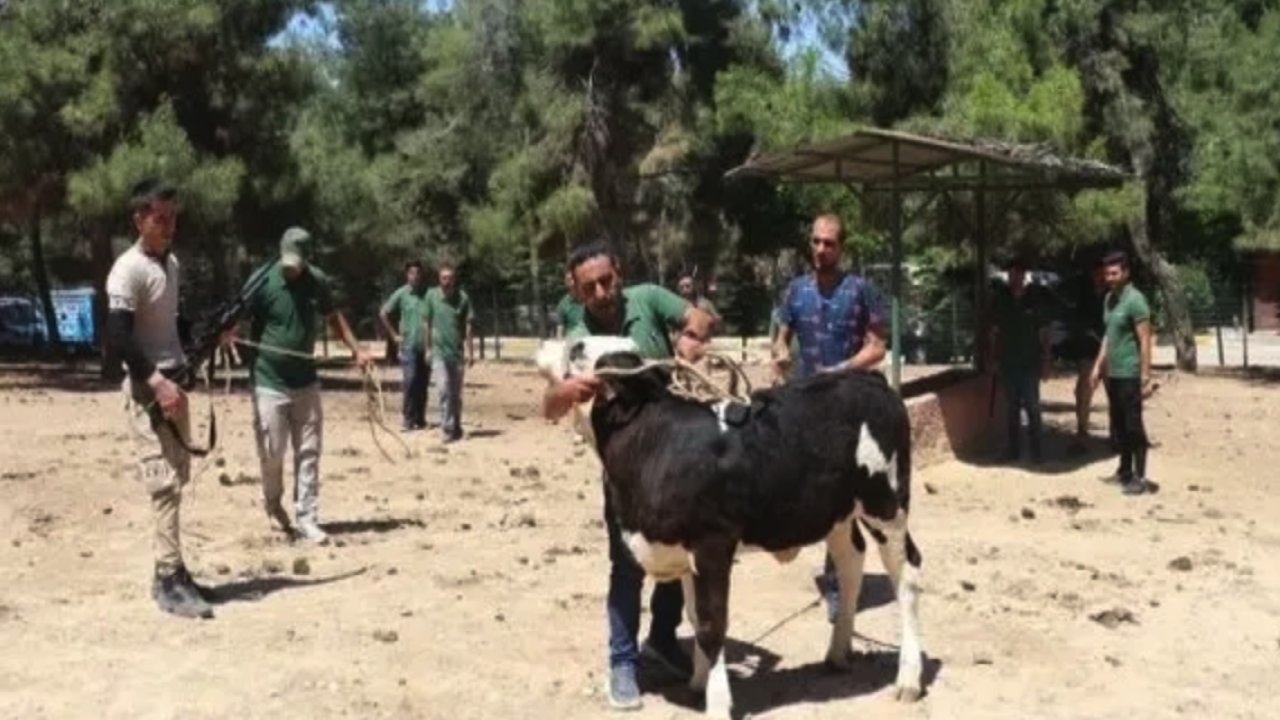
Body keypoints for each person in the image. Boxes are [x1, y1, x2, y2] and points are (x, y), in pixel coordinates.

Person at [541, 241, 715, 711]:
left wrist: (690, 340)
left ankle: (662, 640)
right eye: (589, 286)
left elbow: (701, 320)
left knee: (679, 555)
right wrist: (567, 390)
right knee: (627, 562)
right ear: (574, 289)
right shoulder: (576, 336)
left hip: (676, 456)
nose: (601, 292)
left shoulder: (650, 298)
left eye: (607, 280)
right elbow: (548, 407)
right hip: (624, 468)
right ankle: (622, 662)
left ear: (619, 272)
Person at [771, 213, 887, 624]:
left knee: (844, 494)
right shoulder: (795, 291)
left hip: (849, 406)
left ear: (842, 248)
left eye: (830, 243)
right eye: (817, 242)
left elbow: (878, 347)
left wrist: (842, 369)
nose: (822, 249)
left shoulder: (862, 290)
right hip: (803, 404)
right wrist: (780, 355)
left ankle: (840, 583)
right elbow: (782, 339)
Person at [107, 179, 213, 618]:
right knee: (163, 484)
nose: (169, 225)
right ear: (139, 220)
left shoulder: (170, 265)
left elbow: (173, 323)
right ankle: (169, 578)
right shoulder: (126, 269)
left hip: (176, 383)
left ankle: (170, 570)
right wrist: (156, 381)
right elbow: (118, 336)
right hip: (147, 390)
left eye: (173, 217)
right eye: (160, 218)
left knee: (179, 477)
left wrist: (209, 333)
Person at [244, 227, 372, 544]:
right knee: (272, 453)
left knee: (309, 452)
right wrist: (227, 334)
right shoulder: (262, 280)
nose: (291, 268)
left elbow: (333, 318)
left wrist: (357, 348)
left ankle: (307, 517)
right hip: (269, 379)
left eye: (297, 262)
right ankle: (273, 506)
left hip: (306, 381)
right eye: (287, 261)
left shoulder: (317, 281)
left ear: (307, 258)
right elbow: (238, 314)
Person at [1090, 251, 1155, 495]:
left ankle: (1140, 477)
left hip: (1129, 372)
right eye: (1107, 273)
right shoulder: (1109, 300)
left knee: (1133, 425)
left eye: (1115, 273)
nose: (1110, 277)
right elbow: (1109, 335)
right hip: (1113, 373)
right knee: (1118, 424)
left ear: (1126, 273)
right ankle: (1124, 471)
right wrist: (1098, 365)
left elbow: (1145, 338)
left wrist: (1145, 374)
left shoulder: (1136, 300)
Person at [990, 258, 1051, 464]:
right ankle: (1013, 450)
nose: (1014, 277)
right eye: (1011, 273)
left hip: (1030, 363)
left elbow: (1044, 333)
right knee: (1011, 408)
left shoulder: (1034, 300)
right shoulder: (1001, 299)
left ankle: (1037, 452)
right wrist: (994, 358)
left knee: (1033, 407)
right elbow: (995, 332)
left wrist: (1046, 360)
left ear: (1023, 275)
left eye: (1018, 273)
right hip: (1008, 362)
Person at [422, 261, 474, 443]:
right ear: (439, 278)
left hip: (457, 352)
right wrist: (427, 348)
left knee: (456, 393)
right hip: (438, 352)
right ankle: (448, 428)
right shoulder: (431, 296)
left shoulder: (463, 298)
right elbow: (426, 323)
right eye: (444, 278)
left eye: (450, 278)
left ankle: (456, 426)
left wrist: (470, 351)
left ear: (454, 279)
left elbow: (468, 325)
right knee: (444, 389)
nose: (447, 281)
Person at [379, 260, 431, 431]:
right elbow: (384, 313)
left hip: (425, 346)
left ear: (421, 275)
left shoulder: (428, 294)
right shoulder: (401, 294)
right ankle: (408, 419)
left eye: (417, 273)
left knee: (423, 383)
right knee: (410, 381)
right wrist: (394, 335)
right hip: (408, 345)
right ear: (407, 275)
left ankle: (420, 418)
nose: (414, 276)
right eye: (411, 273)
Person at [1068, 261, 1107, 454]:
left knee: (1115, 393)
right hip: (1089, 351)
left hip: (1110, 350)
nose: (1099, 275)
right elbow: (1076, 321)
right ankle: (1082, 433)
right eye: (1097, 271)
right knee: (1083, 392)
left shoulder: (1113, 294)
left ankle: (1117, 435)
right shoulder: (1083, 294)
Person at [554, 270, 582, 339]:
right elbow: (560, 329)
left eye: (574, 279)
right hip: (573, 342)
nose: (572, 283)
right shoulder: (563, 304)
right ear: (566, 283)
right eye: (569, 280)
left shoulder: (590, 298)